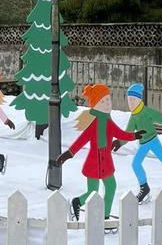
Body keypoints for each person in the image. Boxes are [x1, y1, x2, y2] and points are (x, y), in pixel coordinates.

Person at [56, 83, 141, 220]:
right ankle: (77, 202)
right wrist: (68, 154)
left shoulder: (109, 122)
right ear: (95, 105)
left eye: (108, 99)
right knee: (92, 192)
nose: (107, 103)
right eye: (102, 101)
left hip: (106, 162)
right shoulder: (95, 124)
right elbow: (81, 140)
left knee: (111, 187)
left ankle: (105, 216)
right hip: (94, 162)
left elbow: (121, 134)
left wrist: (135, 136)